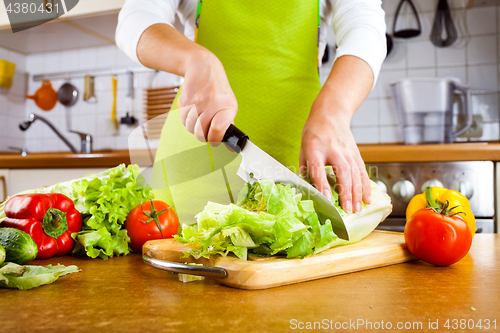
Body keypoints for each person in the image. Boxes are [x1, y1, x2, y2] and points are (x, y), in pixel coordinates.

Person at [116, 0, 386, 214]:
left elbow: (364, 25)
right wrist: (195, 60)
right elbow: (136, 17)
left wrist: (334, 112)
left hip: (298, 161)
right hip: (194, 161)